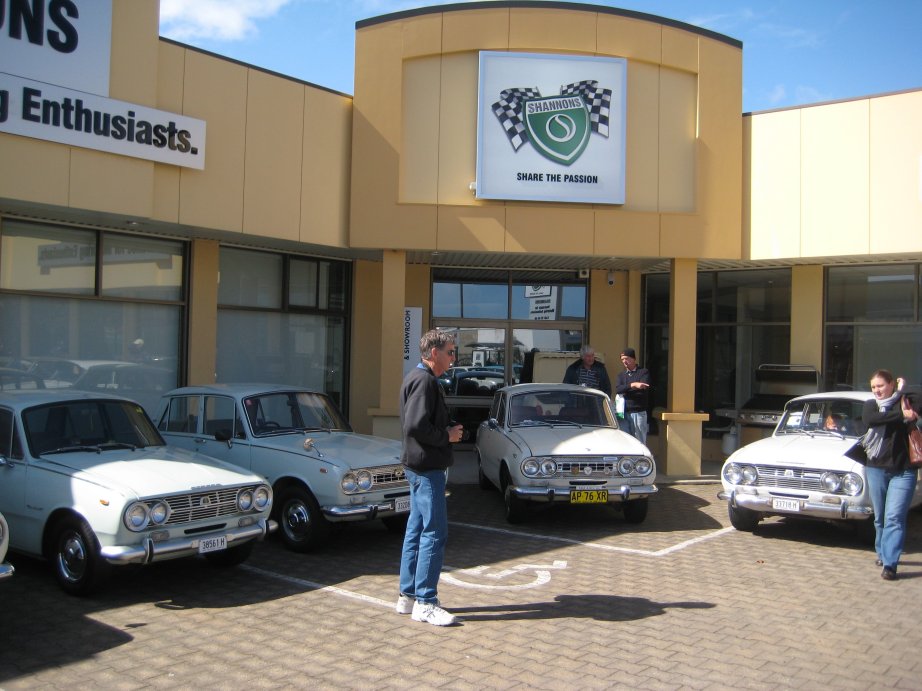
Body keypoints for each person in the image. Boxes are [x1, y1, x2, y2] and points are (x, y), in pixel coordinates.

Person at [396, 329, 464, 625]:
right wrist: (446, 436)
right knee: (435, 533)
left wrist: (447, 427)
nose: (453, 358)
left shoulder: (417, 378)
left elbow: (420, 422)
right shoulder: (424, 381)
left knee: (416, 529)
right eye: (450, 352)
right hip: (427, 469)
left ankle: (408, 597)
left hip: (418, 467)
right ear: (434, 353)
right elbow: (416, 425)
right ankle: (426, 601)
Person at [860, 369, 918, 581]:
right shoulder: (871, 405)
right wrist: (901, 416)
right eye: (873, 387)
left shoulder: (905, 402)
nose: (877, 390)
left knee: (894, 517)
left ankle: (890, 564)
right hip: (876, 468)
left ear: (891, 384)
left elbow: (919, 398)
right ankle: (882, 552)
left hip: (904, 470)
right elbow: (871, 420)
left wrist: (904, 390)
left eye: (881, 386)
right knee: (880, 517)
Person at [615, 347, 652, 444]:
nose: (624, 361)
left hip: (638, 413)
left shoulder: (643, 372)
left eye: (626, 358)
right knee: (625, 441)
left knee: (639, 442)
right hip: (623, 413)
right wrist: (633, 385)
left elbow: (642, 391)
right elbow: (618, 390)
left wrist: (626, 389)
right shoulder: (621, 375)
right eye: (622, 359)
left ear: (633, 358)